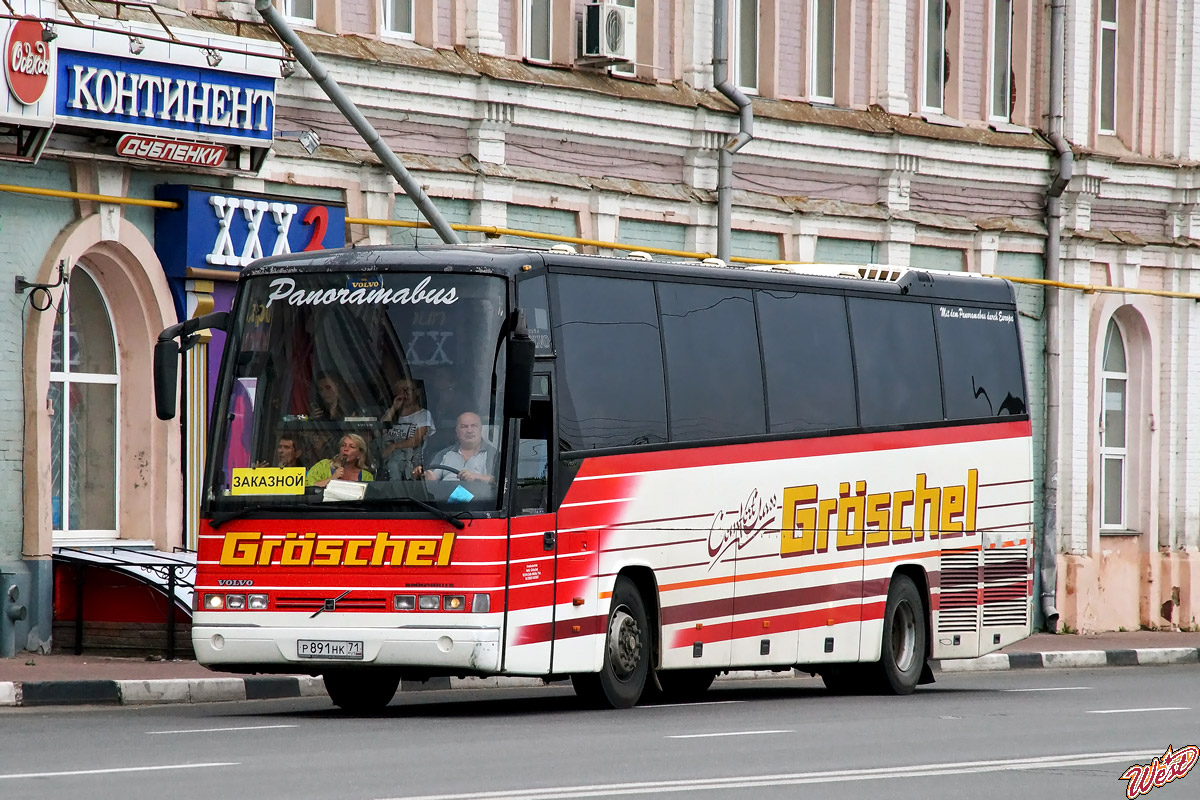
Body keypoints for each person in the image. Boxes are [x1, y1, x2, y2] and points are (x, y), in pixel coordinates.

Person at [414, 411, 497, 484]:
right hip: (444, 499)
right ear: (457, 431)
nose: (469, 430)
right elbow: (433, 478)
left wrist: (475, 477)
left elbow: (498, 481)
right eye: (464, 426)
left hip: (481, 500)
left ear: (480, 429)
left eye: (474, 426)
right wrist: (422, 474)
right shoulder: (444, 454)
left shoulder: (493, 454)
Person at [380, 377, 435, 480]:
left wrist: (394, 446)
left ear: (417, 392)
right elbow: (379, 430)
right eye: (401, 390)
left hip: (410, 466)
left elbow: (417, 440)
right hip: (386, 464)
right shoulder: (390, 413)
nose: (404, 394)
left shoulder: (423, 414)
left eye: (408, 390)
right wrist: (394, 408)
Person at [306, 433, 375, 487]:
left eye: (352, 446)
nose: (346, 449)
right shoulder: (324, 466)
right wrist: (332, 479)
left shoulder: (367, 476)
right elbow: (307, 487)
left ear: (360, 454)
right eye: (343, 445)